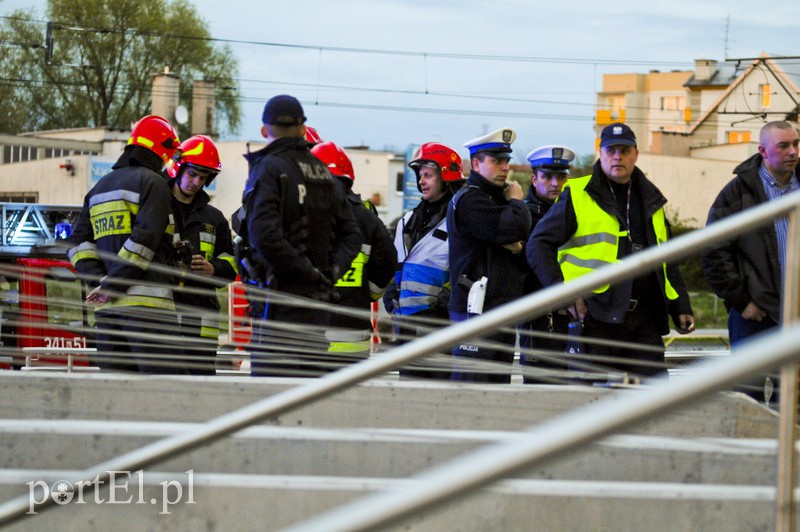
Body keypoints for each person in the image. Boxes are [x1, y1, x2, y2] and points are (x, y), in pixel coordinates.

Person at [527, 122, 695, 383]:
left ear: (636, 155)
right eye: (611, 150)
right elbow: (538, 245)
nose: (618, 156)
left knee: (655, 400)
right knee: (598, 402)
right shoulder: (579, 194)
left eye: (625, 150)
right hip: (598, 319)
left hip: (646, 319)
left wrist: (680, 305)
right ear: (601, 153)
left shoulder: (652, 197)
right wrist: (564, 294)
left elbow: (667, 258)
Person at [240, 94, 361, 377]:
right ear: (303, 127)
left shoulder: (268, 168)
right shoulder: (323, 172)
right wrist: (328, 272)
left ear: (264, 130)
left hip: (278, 303)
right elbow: (352, 235)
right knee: (307, 394)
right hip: (317, 306)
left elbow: (263, 235)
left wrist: (301, 273)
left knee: (273, 400)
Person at [66, 115, 185, 373]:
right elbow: (144, 240)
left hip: (108, 315)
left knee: (118, 395)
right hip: (149, 312)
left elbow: (77, 243)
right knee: (169, 392)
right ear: (161, 149)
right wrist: (112, 284)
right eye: (168, 156)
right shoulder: (154, 183)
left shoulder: (98, 188)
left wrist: (97, 279)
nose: (167, 164)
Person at [701, 120, 800, 404]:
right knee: (748, 401)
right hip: (754, 314)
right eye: (784, 146)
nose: (793, 151)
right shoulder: (737, 193)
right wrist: (741, 300)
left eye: (796, 144)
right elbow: (713, 250)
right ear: (763, 151)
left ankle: (789, 450)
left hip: (796, 314)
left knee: (793, 401)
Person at [448, 128, 532, 383]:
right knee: (471, 388)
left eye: (506, 161)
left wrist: (513, 239)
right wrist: (517, 202)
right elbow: (514, 227)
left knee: (495, 391)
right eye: (496, 161)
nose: (505, 167)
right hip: (475, 312)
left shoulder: (495, 200)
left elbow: (518, 239)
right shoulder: (471, 200)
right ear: (476, 164)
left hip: (500, 309)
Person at [383, 142, 464, 379]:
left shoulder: (459, 219)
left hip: (440, 331)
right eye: (420, 176)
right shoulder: (407, 220)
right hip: (406, 331)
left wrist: (445, 302)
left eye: (428, 175)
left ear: (446, 175)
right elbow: (395, 265)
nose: (421, 181)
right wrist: (391, 297)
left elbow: (467, 268)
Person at [310, 140, 396, 363]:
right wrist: (369, 293)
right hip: (353, 338)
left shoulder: (298, 213)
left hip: (307, 338)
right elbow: (387, 261)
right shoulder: (367, 219)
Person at [166, 135, 238, 375]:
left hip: (202, 324)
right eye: (192, 174)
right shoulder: (156, 207)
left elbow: (232, 262)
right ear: (179, 167)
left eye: (203, 177)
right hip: (165, 316)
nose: (196, 182)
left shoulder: (214, 218)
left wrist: (213, 269)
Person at [519, 144, 576, 384]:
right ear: (534, 179)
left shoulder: (578, 212)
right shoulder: (522, 215)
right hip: (539, 313)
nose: (555, 183)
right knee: (539, 386)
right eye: (547, 176)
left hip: (575, 310)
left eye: (561, 176)